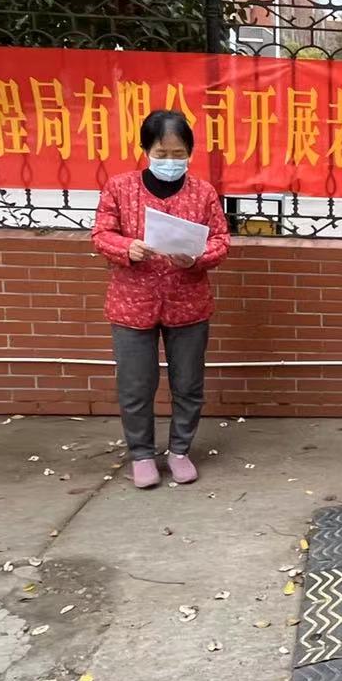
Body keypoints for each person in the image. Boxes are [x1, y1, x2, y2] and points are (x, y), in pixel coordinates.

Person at [92, 109, 231, 490]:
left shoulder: (203, 193)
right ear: (145, 150)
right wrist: (127, 248)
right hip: (132, 303)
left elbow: (221, 240)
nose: (170, 162)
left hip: (188, 301)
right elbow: (101, 233)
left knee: (188, 383)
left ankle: (180, 450)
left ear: (190, 152)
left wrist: (197, 257)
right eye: (161, 153)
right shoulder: (120, 188)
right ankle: (141, 454)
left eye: (178, 154)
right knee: (136, 385)